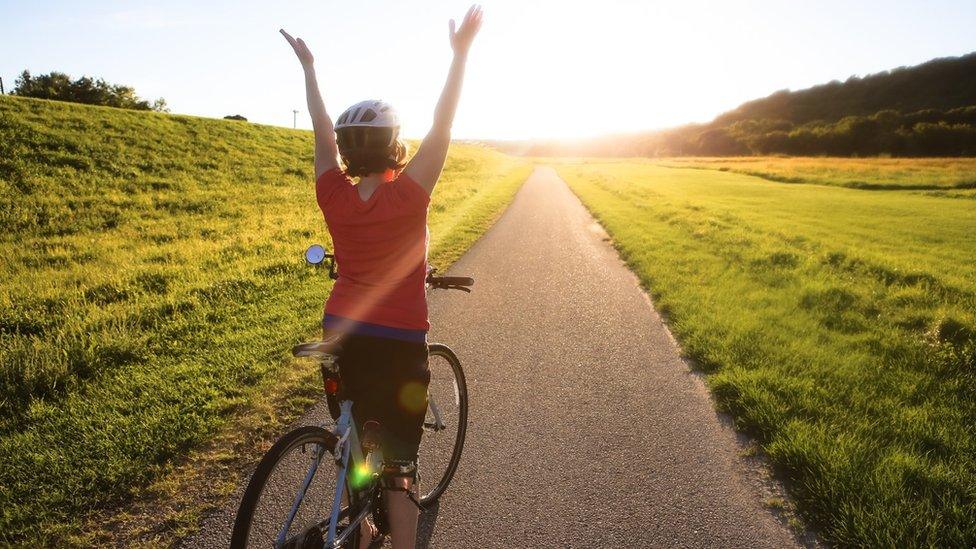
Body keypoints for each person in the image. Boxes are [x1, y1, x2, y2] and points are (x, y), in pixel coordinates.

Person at [280, 5, 482, 548]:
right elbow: (444, 123)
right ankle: (379, 530)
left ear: (346, 149)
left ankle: (360, 526)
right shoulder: (410, 194)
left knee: (351, 432)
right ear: (395, 143)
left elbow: (319, 127)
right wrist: (459, 55)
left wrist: (309, 70)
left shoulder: (334, 196)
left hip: (341, 330)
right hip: (398, 342)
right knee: (399, 469)